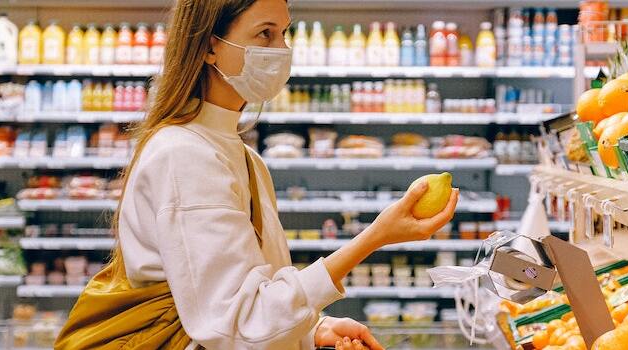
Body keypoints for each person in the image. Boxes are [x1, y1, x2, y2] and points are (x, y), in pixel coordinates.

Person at [55, 0, 459, 349]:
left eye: (284, 33)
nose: (281, 50)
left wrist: (312, 329)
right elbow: (238, 326)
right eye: (265, 34)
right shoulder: (184, 154)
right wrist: (374, 237)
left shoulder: (242, 156)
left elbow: (249, 297)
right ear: (210, 46)